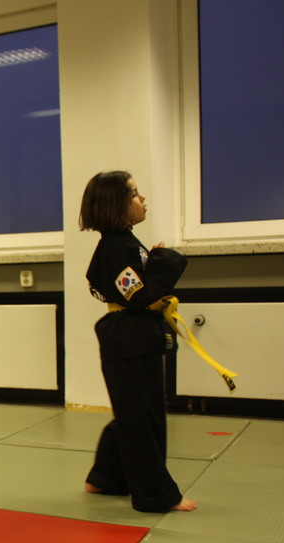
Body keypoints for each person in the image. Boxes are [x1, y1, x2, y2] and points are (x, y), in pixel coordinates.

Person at [80, 171, 198, 513]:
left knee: (135, 414)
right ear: (116, 205)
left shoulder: (126, 243)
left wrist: (153, 259)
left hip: (133, 336)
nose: (142, 198)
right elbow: (139, 295)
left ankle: (105, 477)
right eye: (133, 193)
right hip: (129, 339)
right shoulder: (116, 249)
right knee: (141, 419)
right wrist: (167, 261)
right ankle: (155, 495)